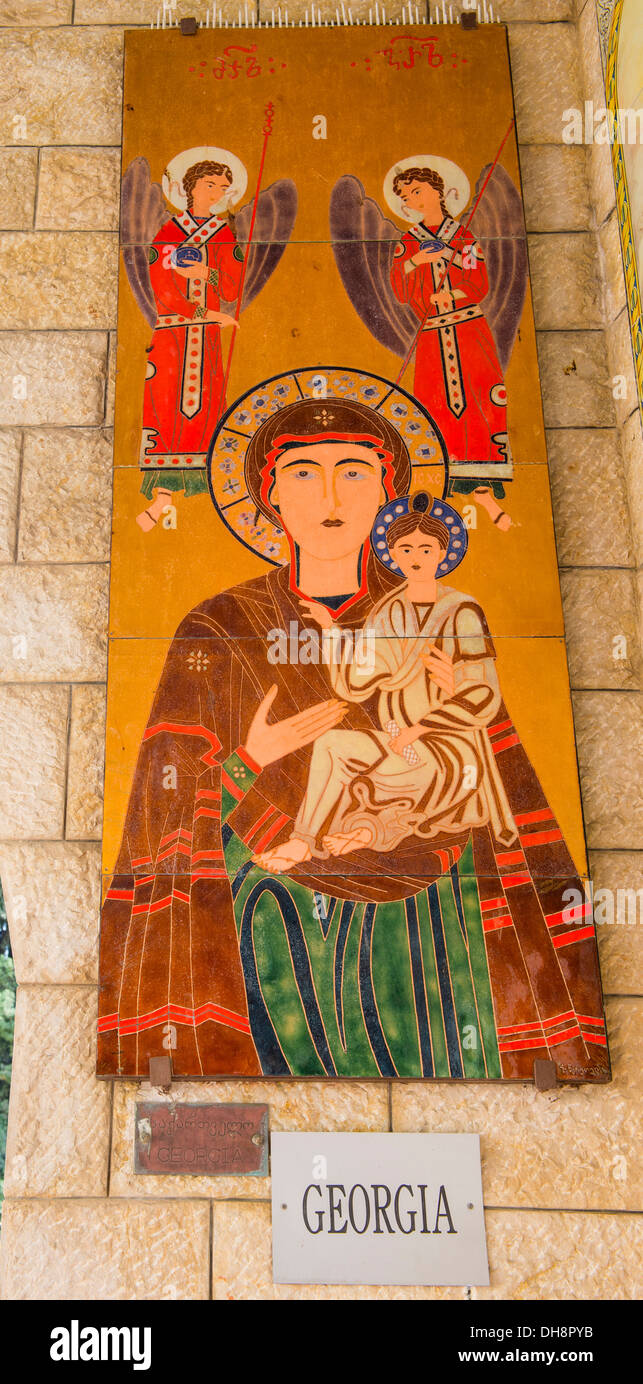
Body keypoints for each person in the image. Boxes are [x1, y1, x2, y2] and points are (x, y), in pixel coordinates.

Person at [98, 394, 608, 1083]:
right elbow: (163, 811)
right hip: (270, 918)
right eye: (304, 473)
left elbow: (497, 777)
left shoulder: (432, 611)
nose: (331, 494)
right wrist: (252, 761)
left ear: (388, 496)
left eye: (355, 472)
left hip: (434, 919)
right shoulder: (217, 627)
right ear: (269, 496)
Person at [253, 492, 517, 872]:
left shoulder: (463, 612)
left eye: (426, 549)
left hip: (450, 748)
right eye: (405, 548)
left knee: (408, 768)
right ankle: (302, 841)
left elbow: (484, 693)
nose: (415, 557)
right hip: (397, 735)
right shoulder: (389, 611)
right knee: (332, 743)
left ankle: (364, 833)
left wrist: (432, 713)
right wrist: (331, 630)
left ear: (443, 553)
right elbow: (355, 683)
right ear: (392, 553)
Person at [390, 166, 512, 529]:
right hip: (432, 333)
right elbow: (399, 287)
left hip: (469, 328)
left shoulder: (464, 234)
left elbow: (478, 279)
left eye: (417, 192)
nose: (412, 201)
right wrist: (417, 260)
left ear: (437, 192)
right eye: (406, 197)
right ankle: (440, 486)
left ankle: (484, 488)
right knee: (433, 400)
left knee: (480, 397)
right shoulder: (408, 240)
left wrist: (450, 268)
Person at [136, 159, 243, 531]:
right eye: (210, 185)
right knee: (164, 408)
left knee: (210, 406)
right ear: (190, 188)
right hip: (171, 335)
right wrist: (205, 313)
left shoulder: (224, 234)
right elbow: (161, 287)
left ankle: (206, 495)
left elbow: (232, 285)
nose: (216, 193)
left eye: (222, 187)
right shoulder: (168, 232)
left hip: (206, 340)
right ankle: (162, 496)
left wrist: (207, 273)